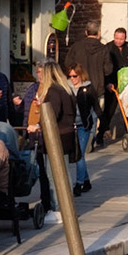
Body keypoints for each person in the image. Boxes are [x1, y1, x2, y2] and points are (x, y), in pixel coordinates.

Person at [34, 63, 84, 191]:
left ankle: (58, 208)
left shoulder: (53, 91)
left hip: (56, 138)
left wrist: (37, 126)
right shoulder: (66, 89)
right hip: (67, 135)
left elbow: (52, 116)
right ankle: (65, 207)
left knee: (54, 175)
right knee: (64, 173)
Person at [69, 26, 114, 151]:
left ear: (85, 32)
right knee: (94, 114)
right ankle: (90, 139)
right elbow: (108, 69)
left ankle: (80, 140)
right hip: (97, 87)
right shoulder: (103, 48)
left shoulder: (76, 47)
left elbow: (68, 63)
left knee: (78, 114)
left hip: (78, 87)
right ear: (98, 33)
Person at [66, 64, 96, 193]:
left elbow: (95, 108)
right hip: (71, 125)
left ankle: (78, 184)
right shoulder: (66, 88)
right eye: (70, 76)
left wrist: (101, 128)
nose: (72, 79)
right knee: (78, 154)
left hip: (84, 125)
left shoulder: (88, 88)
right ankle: (86, 181)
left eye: (75, 76)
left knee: (80, 156)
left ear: (81, 75)